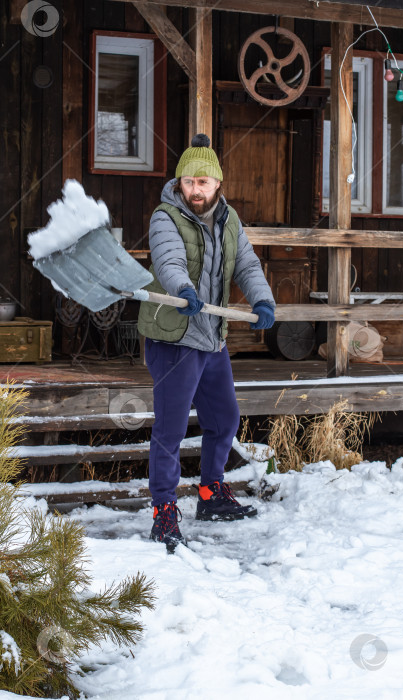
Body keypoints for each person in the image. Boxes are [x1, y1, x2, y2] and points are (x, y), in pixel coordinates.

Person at [137, 134, 276, 552]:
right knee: (171, 428)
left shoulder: (230, 221)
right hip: (175, 337)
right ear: (179, 183)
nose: (194, 190)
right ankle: (163, 510)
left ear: (218, 183)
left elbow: (247, 264)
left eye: (202, 182)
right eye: (187, 181)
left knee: (224, 419)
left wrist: (262, 299)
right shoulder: (166, 216)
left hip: (212, 338)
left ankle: (210, 493)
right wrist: (182, 288)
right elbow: (168, 258)